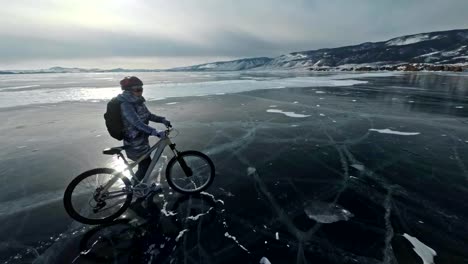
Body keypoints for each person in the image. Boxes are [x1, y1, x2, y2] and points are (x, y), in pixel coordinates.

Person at [116, 76, 171, 183]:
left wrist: (162, 120)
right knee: (145, 165)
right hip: (134, 142)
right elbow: (136, 123)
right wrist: (155, 132)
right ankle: (133, 187)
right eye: (137, 89)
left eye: (141, 89)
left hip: (142, 141)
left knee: (144, 165)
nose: (140, 91)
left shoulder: (138, 101)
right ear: (129, 90)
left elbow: (148, 115)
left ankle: (135, 186)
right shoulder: (126, 104)